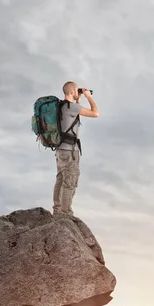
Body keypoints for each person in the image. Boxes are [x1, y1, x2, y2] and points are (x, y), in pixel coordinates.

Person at [52, 81, 99, 218]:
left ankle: (57, 210)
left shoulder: (61, 107)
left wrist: (79, 98)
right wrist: (88, 96)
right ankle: (66, 214)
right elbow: (95, 113)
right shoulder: (71, 107)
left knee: (60, 179)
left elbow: (73, 115)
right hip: (70, 151)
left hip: (60, 150)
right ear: (72, 91)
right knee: (70, 182)